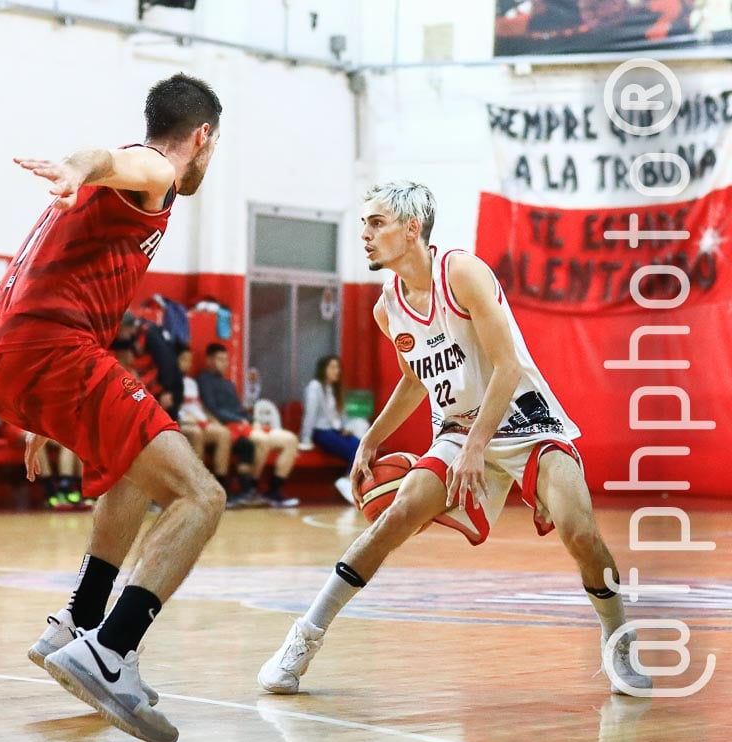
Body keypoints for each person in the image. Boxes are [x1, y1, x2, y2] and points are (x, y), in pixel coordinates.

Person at [257, 180, 650, 696]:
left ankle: (617, 634)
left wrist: (476, 449)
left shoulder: (462, 272)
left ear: (410, 229)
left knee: (579, 533)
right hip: (460, 429)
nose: (365, 235)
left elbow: (507, 367)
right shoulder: (387, 307)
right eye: (364, 224)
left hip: (528, 421)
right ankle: (302, 639)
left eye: (376, 223)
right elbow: (416, 379)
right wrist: (371, 439)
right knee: (393, 519)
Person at [0, 73, 224, 742]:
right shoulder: (152, 172)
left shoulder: (116, 198)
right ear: (200, 137)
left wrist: (37, 410)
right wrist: (74, 167)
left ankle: (79, 623)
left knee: (129, 465)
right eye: (213, 146)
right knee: (202, 496)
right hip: (49, 349)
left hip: (6, 352)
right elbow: (110, 158)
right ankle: (111, 650)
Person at [197, 343, 300, 508]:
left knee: (290, 440)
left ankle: (273, 491)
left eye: (226, 360)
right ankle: (249, 489)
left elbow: (239, 409)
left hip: (246, 425)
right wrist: (240, 421)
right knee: (262, 440)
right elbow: (212, 408)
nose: (224, 363)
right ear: (209, 360)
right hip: (230, 426)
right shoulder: (204, 380)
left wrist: (252, 421)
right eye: (220, 359)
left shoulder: (228, 384)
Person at [175, 345, 238, 506]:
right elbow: (172, 410)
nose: (188, 364)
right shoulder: (169, 381)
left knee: (224, 433)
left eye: (189, 360)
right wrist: (190, 420)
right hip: (183, 423)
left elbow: (199, 407)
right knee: (197, 434)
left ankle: (220, 487)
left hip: (200, 421)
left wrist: (211, 419)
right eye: (184, 359)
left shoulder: (191, 382)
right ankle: (196, 488)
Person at [300, 354, 359, 504]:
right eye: (333, 367)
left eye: (338, 367)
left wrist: (346, 428)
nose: (336, 371)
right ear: (323, 369)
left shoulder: (333, 389)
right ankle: (347, 481)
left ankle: (348, 480)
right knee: (352, 450)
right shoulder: (315, 387)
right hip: (321, 431)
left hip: (335, 430)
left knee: (360, 445)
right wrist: (305, 439)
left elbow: (340, 415)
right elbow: (310, 414)